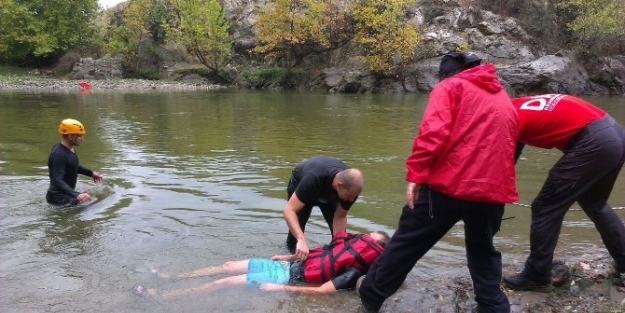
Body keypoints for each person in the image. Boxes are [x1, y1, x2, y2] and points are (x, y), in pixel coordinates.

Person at [357, 52, 519, 313]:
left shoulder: (450, 87)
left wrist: (416, 175)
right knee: (483, 252)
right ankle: (493, 307)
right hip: (491, 193)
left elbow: (433, 133)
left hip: (448, 187)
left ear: (446, 75)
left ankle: (370, 297)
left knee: (407, 244)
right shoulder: (501, 96)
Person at [502, 94, 625, 291]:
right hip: (615, 133)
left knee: (545, 207)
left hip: (594, 142)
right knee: (595, 203)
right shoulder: (518, 105)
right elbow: (510, 157)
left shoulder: (503, 117)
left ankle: (537, 275)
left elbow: (504, 161)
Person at [134, 230, 390, 297]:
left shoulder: (355, 269)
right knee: (227, 265)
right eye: (366, 238)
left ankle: (164, 294)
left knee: (225, 282)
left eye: (370, 241)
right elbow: (315, 254)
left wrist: (281, 290)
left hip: (285, 280)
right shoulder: (345, 248)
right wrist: (287, 257)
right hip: (286, 267)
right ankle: (171, 277)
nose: (363, 242)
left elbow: (323, 291)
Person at [283, 156, 364, 260]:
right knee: (297, 230)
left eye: (354, 196)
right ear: (339, 185)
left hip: (328, 194)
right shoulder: (313, 178)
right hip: (303, 185)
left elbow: (340, 217)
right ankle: (288, 258)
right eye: (349, 196)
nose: (351, 200)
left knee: (339, 241)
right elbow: (289, 211)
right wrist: (301, 238)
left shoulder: (352, 189)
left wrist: (339, 248)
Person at [46, 118, 103, 206]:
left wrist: (91, 173)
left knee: (95, 199)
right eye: (80, 136)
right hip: (59, 199)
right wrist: (77, 195)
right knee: (94, 204)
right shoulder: (59, 154)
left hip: (67, 195)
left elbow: (73, 166)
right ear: (71, 136)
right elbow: (57, 180)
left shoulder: (69, 149)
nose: (82, 139)